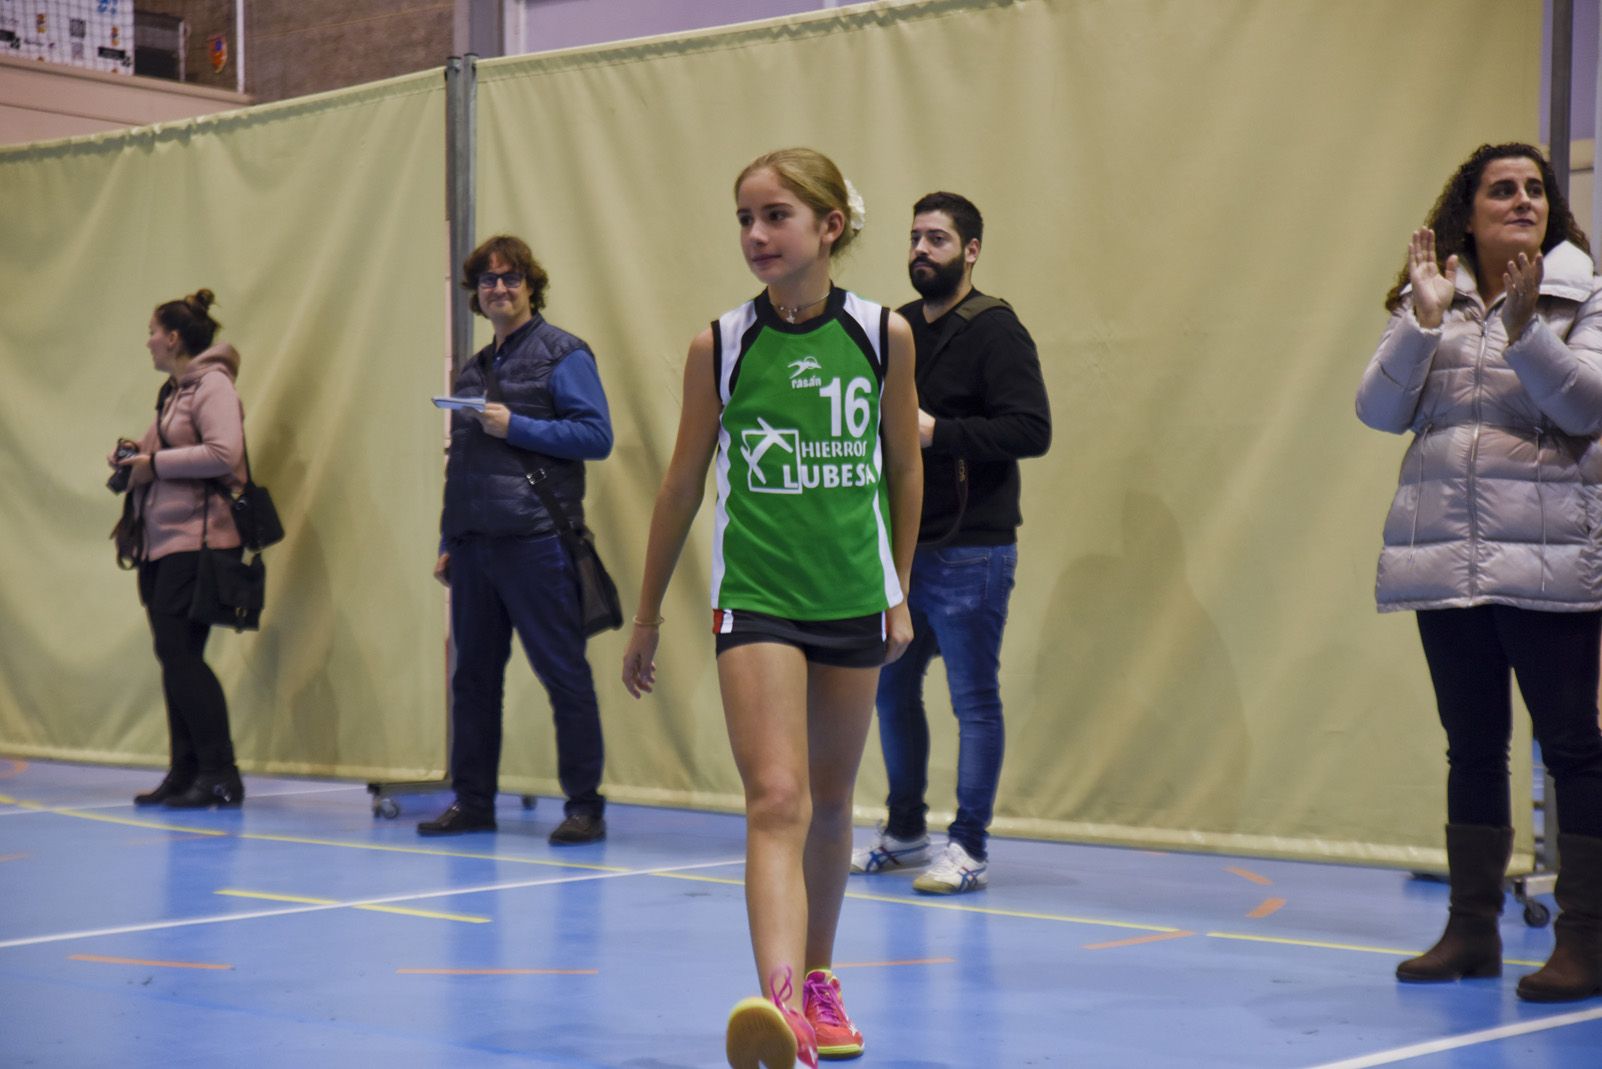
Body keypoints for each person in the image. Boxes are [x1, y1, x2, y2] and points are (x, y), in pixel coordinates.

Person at [620, 148, 921, 1068]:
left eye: (776, 215)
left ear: (829, 226)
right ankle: (781, 1009)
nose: (756, 234)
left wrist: (898, 588)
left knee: (832, 802)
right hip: (756, 598)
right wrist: (645, 616)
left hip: (854, 597)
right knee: (776, 797)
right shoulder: (720, 343)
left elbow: (903, 467)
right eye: (745, 218)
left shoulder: (883, 335)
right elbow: (679, 487)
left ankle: (822, 983)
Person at [1356, 142, 1602, 1003]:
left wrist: (1527, 330)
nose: (1525, 200)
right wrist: (1421, 323)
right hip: (1447, 560)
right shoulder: (1434, 297)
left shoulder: (1584, 292)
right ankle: (1471, 931)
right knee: (1472, 745)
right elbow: (1378, 410)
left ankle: (1586, 939)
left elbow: (1585, 406)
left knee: (1574, 747)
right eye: (1503, 189)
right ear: (1468, 211)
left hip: (1548, 556)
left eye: (1537, 189)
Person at [850, 192, 1051, 895]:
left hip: (975, 548)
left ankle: (968, 845)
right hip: (905, 546)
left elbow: (1033, 430)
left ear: (970, 251)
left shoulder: (998, 330)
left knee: (974, 698)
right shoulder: (897, 328)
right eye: (913, 238)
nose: (920, 251)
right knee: (891, 689)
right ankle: (906, 830)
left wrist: (942, 434)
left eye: (937, 239)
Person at [420, 234, 614, 846]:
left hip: (536, 541)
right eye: (487, 281)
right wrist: (450, 536)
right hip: (476, 547)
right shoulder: (473, 368)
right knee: (473, 680)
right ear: (476, 295)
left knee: (564, 674)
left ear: (531, 286)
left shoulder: (564, 354)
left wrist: (518, 424)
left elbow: (596, 436)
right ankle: (472, 801)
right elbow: (463, 459)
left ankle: (585, 805)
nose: (498, 288)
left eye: (510, 278)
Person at [113, 290, 249, 809]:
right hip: (164, 542)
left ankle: (220, 773)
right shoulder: (173, 392)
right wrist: (132, 460)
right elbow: (164, 453)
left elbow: (224, 453)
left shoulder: (211, 386)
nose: (147, 342)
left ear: (173, 338)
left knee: (180, 655)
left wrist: (155, 466)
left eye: (152, 331)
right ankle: (186, 769)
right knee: (177, 657)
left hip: (200, 540)